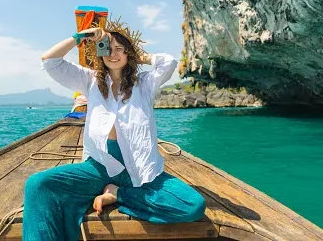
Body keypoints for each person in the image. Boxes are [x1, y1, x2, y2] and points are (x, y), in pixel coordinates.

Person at [23, 19, 206, 241]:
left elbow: (168, 62)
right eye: (107, 48)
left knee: (193, 205)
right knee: (37, 184)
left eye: (120, 49)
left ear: (129, 53)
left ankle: (117, 193)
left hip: (139, 169)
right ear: (100, 53)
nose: (113, 54)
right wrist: (82, 35)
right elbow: (50, 61)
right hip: (99, 167)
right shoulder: (90, 81)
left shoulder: (145, 84)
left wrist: (137, 55)